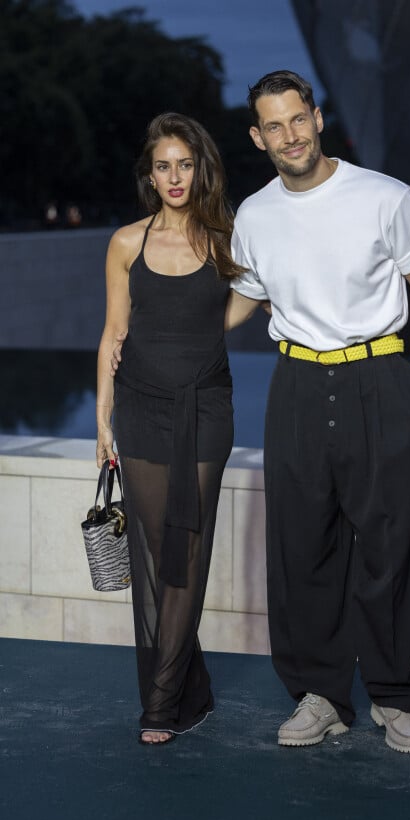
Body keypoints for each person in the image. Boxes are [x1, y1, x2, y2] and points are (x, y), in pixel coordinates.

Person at [227, 71, 410, 753]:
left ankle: (392, 694)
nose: (289, 135)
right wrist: (163, 333)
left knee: (390, 543)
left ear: (317, 118)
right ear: (257, 136)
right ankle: (320, 694)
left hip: (379, 376)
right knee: (302, 545)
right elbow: (244, 298)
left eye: (299, 119)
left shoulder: (384, 197)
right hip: (296, 382)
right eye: (274, 125)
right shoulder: (255, 214)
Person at [96, 112, 246, 746]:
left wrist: (205, 340)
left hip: (206, 409)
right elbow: (113, 333)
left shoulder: (224, 239)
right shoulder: (127, 243)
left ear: (200, 168)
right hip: (140, 409)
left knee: (187, 554)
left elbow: (253, 296)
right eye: (164, 165)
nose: (175, 176)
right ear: (150, 174)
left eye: (186, 164)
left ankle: (160, 706)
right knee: (156, 553)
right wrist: (102, 416)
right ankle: (193, 685)